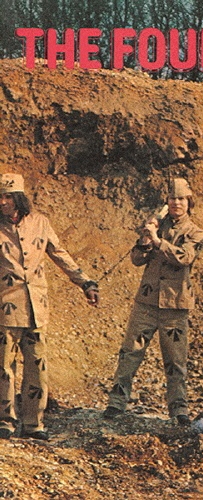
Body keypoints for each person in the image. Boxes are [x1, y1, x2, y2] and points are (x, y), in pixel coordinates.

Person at [0, 173, 99, 440]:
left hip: (36, 310)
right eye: (0, 197)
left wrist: (85, 282)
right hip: (5, 310)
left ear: (19, 198)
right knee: (4, 369)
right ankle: (5, 422)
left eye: (8, 197)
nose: (3, 202)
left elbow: (59, 253)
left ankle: (34, 424)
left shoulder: (40, 223)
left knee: (37, 369)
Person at [104, 178, 203, 425]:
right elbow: (137, 260)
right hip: (147, 302)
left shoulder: (195, 232)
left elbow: (184, 257)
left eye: (181, 199)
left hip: (175, 305)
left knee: (175, 361)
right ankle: (116, 403)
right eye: (172, 199)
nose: (176, 203)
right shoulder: (156, 226)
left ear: (189, 202)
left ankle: (179, 409)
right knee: (130, 353)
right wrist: (145, 240)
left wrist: (158, 241)